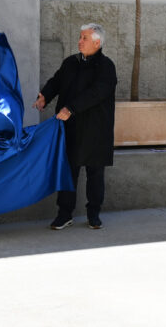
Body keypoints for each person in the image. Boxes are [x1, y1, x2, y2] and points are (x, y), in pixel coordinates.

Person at [34, 23, 117, 230]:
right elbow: (56, 81)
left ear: (97, 43)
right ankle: (64, 214)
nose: (79, 41)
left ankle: (94, 214)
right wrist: (45, 95)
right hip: (70, 128)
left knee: (95, 174)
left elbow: (97, 93)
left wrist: (71, 108)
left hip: (96, 129)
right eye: (80, 37)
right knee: (68, 172)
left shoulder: (106, 67)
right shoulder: (71, 62)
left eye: (84, 38)